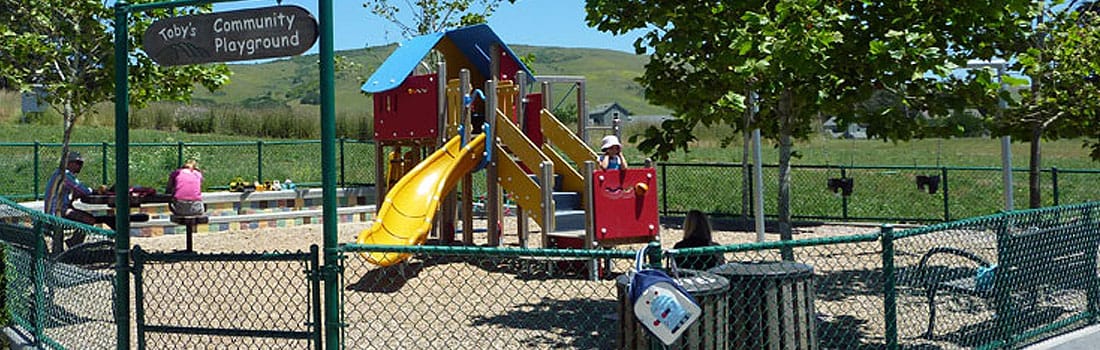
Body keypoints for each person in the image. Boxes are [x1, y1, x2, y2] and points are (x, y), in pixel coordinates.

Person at [44, 151, 94, 247]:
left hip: (58, 209)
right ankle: (73, 244)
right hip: (56, 212)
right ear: (69, 163)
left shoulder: (59, 173)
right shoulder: (65, 174)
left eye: (81, 163)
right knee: (89, 220)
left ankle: (73, 243)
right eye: (78, 163)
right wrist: (95, 191)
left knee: (87, 218)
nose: (80, 166)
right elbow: (83, 190)